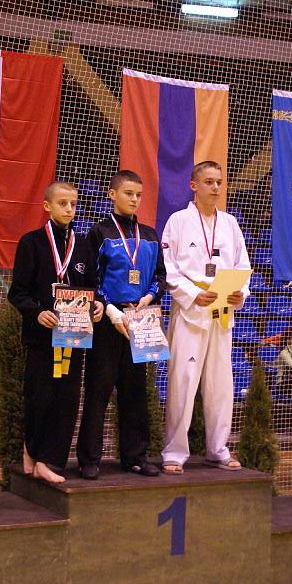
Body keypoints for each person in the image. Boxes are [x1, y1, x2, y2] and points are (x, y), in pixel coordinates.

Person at [8, 181, 103, 484]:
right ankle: (31, 450)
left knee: (67, 398)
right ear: (47, 206)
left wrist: (98, 305)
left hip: (73, 335)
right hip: (42, 336)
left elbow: (91, 288)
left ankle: (48, 460)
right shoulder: (32, 243)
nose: (69, 209)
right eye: (62, 203)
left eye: (73, 204)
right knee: (40, 396)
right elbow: (17, 292)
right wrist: (36, 312)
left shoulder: (83, 245)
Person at [160, 161, 251, 474]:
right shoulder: (178, 221)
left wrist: (241, 293)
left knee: (221, 384)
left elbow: (242, 265)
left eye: (219, 182)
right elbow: (168, 267)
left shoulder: (230, 224)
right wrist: (190, 294)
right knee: (183, 382)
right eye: (209, 182)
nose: (215, 187)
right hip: (191, 312)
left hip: (222, 311)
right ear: (194, 185)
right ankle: (174, 451)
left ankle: (218, 448)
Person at [76, 169, 166, 479]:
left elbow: (161, 276)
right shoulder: (98, 233)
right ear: (112, 194)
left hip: (140, 320)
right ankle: (90, 459)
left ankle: (135, 457)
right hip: (107, 321)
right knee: (98, 390)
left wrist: (149, 297)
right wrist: (112, 311)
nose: (134, 199)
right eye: (128, 193)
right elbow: (91, 279)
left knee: (135, 393)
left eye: (139, 195)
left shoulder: (150, 235)